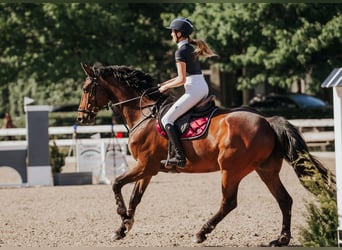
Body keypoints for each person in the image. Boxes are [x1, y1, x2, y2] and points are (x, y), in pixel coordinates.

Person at [159, 17, 216, 167]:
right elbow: (182, 76)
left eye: (172, 32)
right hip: (200, 86)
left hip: (194, 89)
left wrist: (165, 88)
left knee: (167, 119)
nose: (171, 34)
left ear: (179, 33)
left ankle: (180, 157)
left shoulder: (180, 52)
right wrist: (164, 83)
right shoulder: (189, 48)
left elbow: (181, 79)